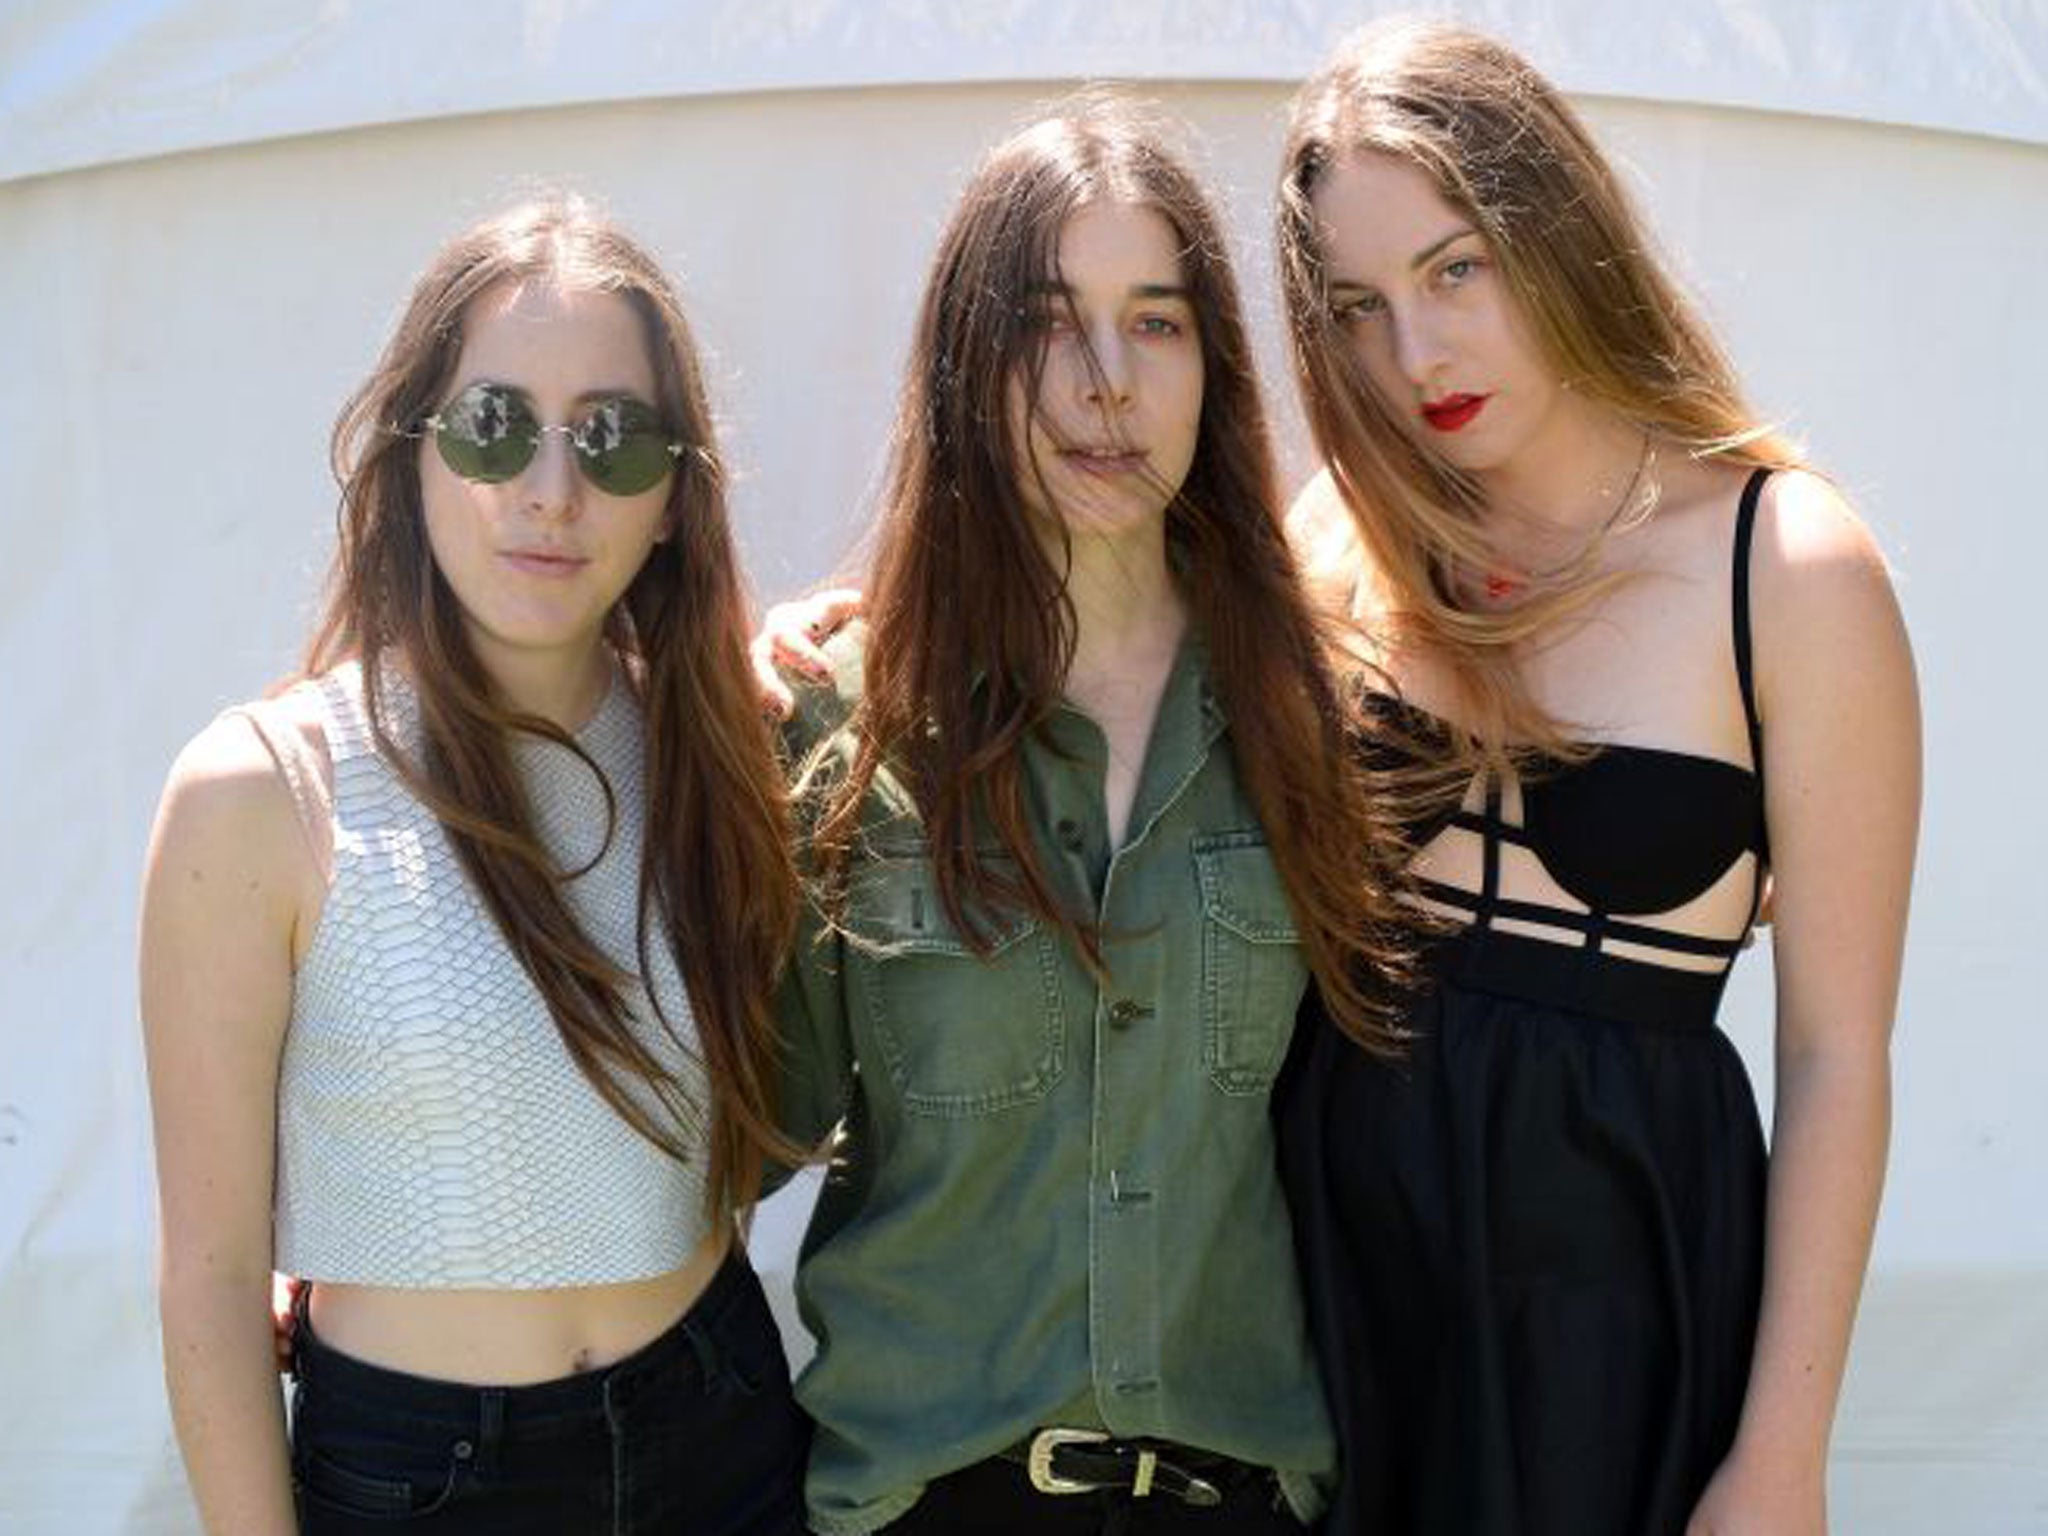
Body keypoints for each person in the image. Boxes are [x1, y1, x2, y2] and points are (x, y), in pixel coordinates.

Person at [1269, 19, 1918, 1536]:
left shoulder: (1784, 564)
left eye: (1454, 270)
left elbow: (1836, 1057)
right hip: (1332, 1301)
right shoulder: (1340, 539)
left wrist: (1781, 1464)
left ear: (1551, 229)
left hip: (1619, 1324)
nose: (1413, 355)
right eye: (1357, 307)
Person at [770, 98, 1413, 1535]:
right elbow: (723, 1139)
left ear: (1216, 365)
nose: (1107, 382)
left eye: (1159, 322)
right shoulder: (843, 725)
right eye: (1049, 322)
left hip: (1242, 1497)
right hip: (930, 1503)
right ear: (965, 363)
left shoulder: (1330, 721)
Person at [139, 197, 809, 1535]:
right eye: (495, 426)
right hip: (421, 1476)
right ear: (414, 455)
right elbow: (210, 1277)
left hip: (722, 1428)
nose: (551, 491)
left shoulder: (727, 746)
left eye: (611, 439)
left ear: (676, 496)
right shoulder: (260, 793)